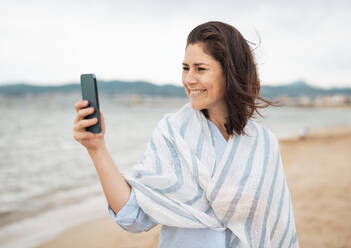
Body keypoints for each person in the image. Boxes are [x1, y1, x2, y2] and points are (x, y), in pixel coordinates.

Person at [73, 21, 298, 248]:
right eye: (185, 68)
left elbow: (277, 226)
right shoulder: (172, 133)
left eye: (200, 69)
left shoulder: (263, 144)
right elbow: (134, 216)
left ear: (230, 72)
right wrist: (97, 149)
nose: (189, 79)